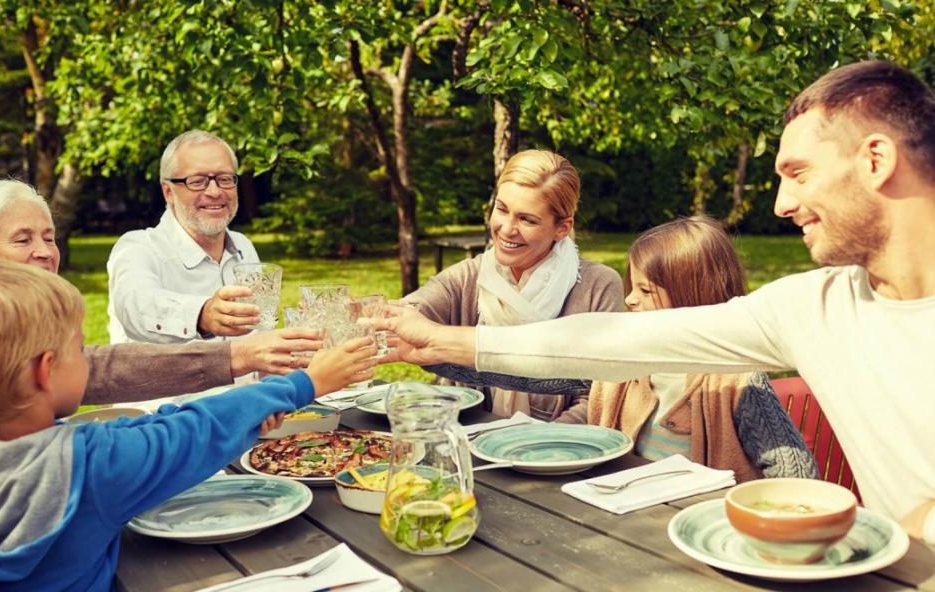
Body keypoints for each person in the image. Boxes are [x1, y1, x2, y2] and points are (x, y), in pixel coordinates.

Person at [379, 60, 935, 542]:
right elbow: (609, 344)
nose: (782, 204)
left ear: (876, 159)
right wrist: (437, 342)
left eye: (798, 173)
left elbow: (801, 479)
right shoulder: (810, 307)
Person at [0, 179, 321, 556]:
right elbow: (103, 371)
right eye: (23, 239)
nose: (44, 251)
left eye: (48, 236)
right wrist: (249, 363)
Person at [0, 259, 377, 590]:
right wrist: (306, 382)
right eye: (80, 349)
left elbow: (132, 437)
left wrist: (250, 416)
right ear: (45, 371)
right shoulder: (91, 467)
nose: (88, 358)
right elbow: (195, 433)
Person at [553, 216, 817, 482]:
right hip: (620, 513)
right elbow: (554, 376)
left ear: (691, 298)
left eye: (645, 290)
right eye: (632, 287)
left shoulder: (739, 380)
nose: (630, 299)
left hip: (700, 517)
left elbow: (798, 473)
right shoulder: (623, 360)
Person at [402, 149, 624, 420]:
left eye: (527, 219)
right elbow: (412, 310)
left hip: (560, 452)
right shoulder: (470, 276)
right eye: (502, 209)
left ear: (562, 228)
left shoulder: (598, 286)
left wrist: (532, 447)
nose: (507, 229)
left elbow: (598, 397)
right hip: (472, 443)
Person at [107, 129, 262, 344]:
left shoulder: (244, 246)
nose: (215, 192)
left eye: (225, 179)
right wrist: (202, 315)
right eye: (197, 181)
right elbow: (134, 306)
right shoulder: (138, 248)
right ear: (168, 192)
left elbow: (258, 337)